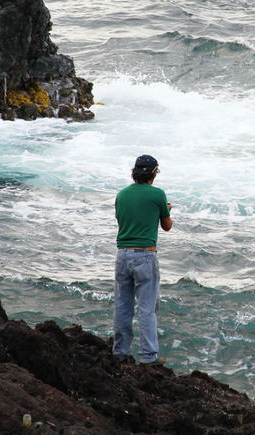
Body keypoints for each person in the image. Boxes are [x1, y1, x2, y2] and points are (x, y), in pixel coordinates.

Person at [113, 154, 173, 365]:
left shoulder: (121, 195)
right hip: (145, 255)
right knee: (147, 308)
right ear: (153, 174)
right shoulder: (157, 195)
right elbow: (167, 226)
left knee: (122, 305)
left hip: (122, 254)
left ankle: (120, 353)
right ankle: (148, 357)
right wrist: (166, 210)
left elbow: (123, 220)